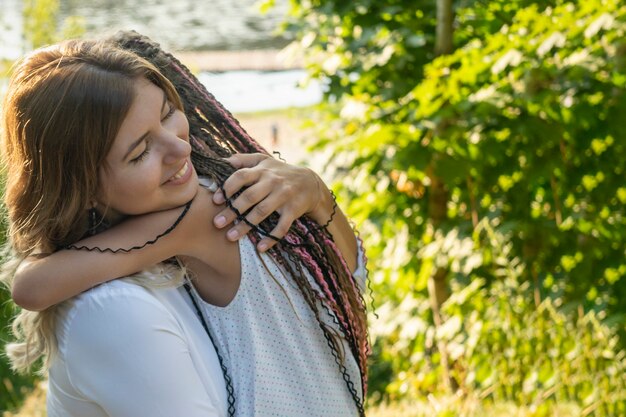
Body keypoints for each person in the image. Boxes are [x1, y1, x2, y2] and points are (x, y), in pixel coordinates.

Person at [2, 31, 370, 417]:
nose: (182, 148)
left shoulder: (201, 211)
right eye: (140, 151)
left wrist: (316, 190)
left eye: (167, 114)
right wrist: (317, 192)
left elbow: (32, 287)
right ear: (83, 185)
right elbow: (352, 277)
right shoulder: (235, 186)